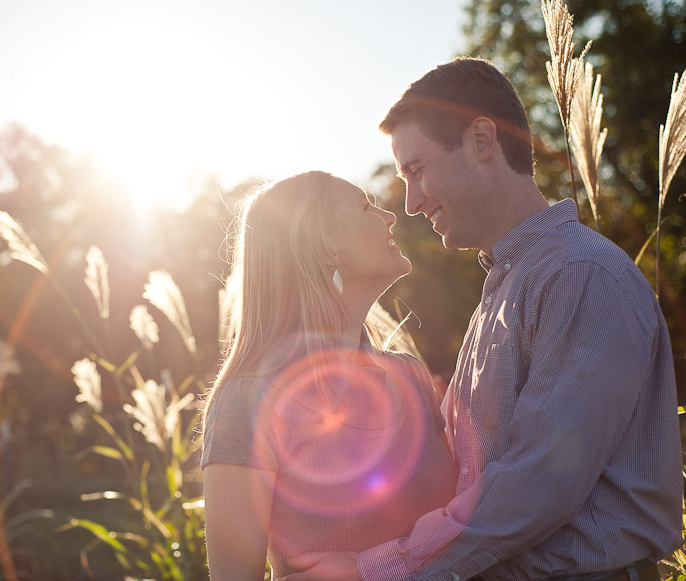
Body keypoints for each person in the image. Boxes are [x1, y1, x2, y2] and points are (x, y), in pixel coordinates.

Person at [279, 57, 683, 581]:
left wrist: (373, 570)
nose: (411, 202)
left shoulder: (578, 275)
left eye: (417, 171)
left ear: (481, 140)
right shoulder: (507, 286)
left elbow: (536, 486)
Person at [201, 171, 458, 580]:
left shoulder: (411, 377)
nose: (389, 216)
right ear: (327, 247)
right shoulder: (247, 400)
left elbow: (461, 532)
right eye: (365, 206)